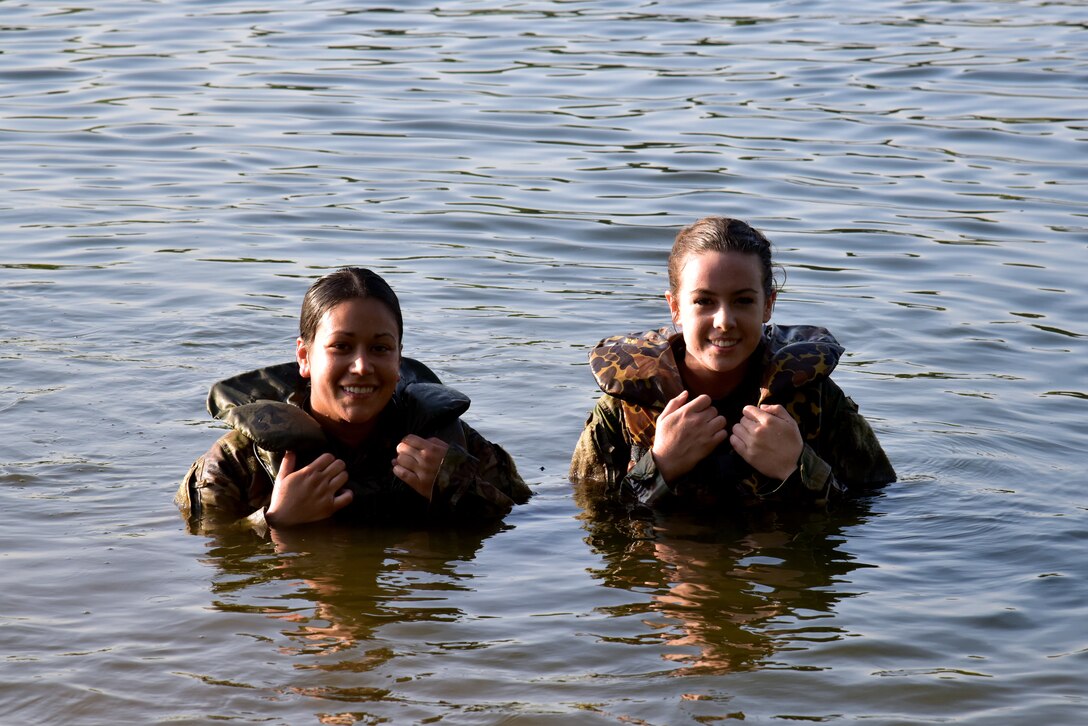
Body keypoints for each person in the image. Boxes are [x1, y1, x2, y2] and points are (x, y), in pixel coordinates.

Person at [569, 216, 895, 512]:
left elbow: (876, 509)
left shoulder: (817, 397)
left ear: (768, 305)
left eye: (743, 300)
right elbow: (591, 520)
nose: (724, 321)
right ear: (676, 308)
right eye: (704, 301)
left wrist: (796, 468)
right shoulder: (623, 405)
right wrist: (661, 465)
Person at [177, 267, 531, 534]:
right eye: (341, 347)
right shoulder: (235, 462)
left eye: (380, 348)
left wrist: (458, 489)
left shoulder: (448, 445)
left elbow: (530, 529)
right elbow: (202, 551)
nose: (362, 367)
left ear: (399, 357)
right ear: (304, 356)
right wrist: (275, 520)